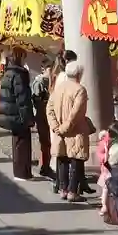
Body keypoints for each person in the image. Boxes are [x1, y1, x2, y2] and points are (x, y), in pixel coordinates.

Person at [47, 59, 93, 202]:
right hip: (75, 130)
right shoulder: (80, 90)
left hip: (60, 131)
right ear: (79, 74)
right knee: (76, 160)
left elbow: (49, 109)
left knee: (62, 158)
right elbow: (76, 113)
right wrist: (65, 127)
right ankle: (73, 191)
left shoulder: (59, 88)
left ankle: (63, 189)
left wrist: (56, 127)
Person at [0, 47, 34, 181]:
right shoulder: (19, 74)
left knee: (18, 143)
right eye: (23, 57)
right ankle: (22, 173)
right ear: (19, 57)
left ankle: (22, 172)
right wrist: (28, 118)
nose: (25, 60)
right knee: (22, 145)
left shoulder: (8, 72)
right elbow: (22, 99)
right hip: (18, 115)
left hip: (11, 114)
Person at [31, 56, 59, 183]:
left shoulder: (51, 81)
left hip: (48, 116)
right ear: (44, 69)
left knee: (47, 141)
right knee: (44, 141)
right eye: (49, 69)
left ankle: (46, 165)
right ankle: (44, 166)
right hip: (42, 116)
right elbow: (38, 102)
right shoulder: (39, 83)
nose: (51, 71)